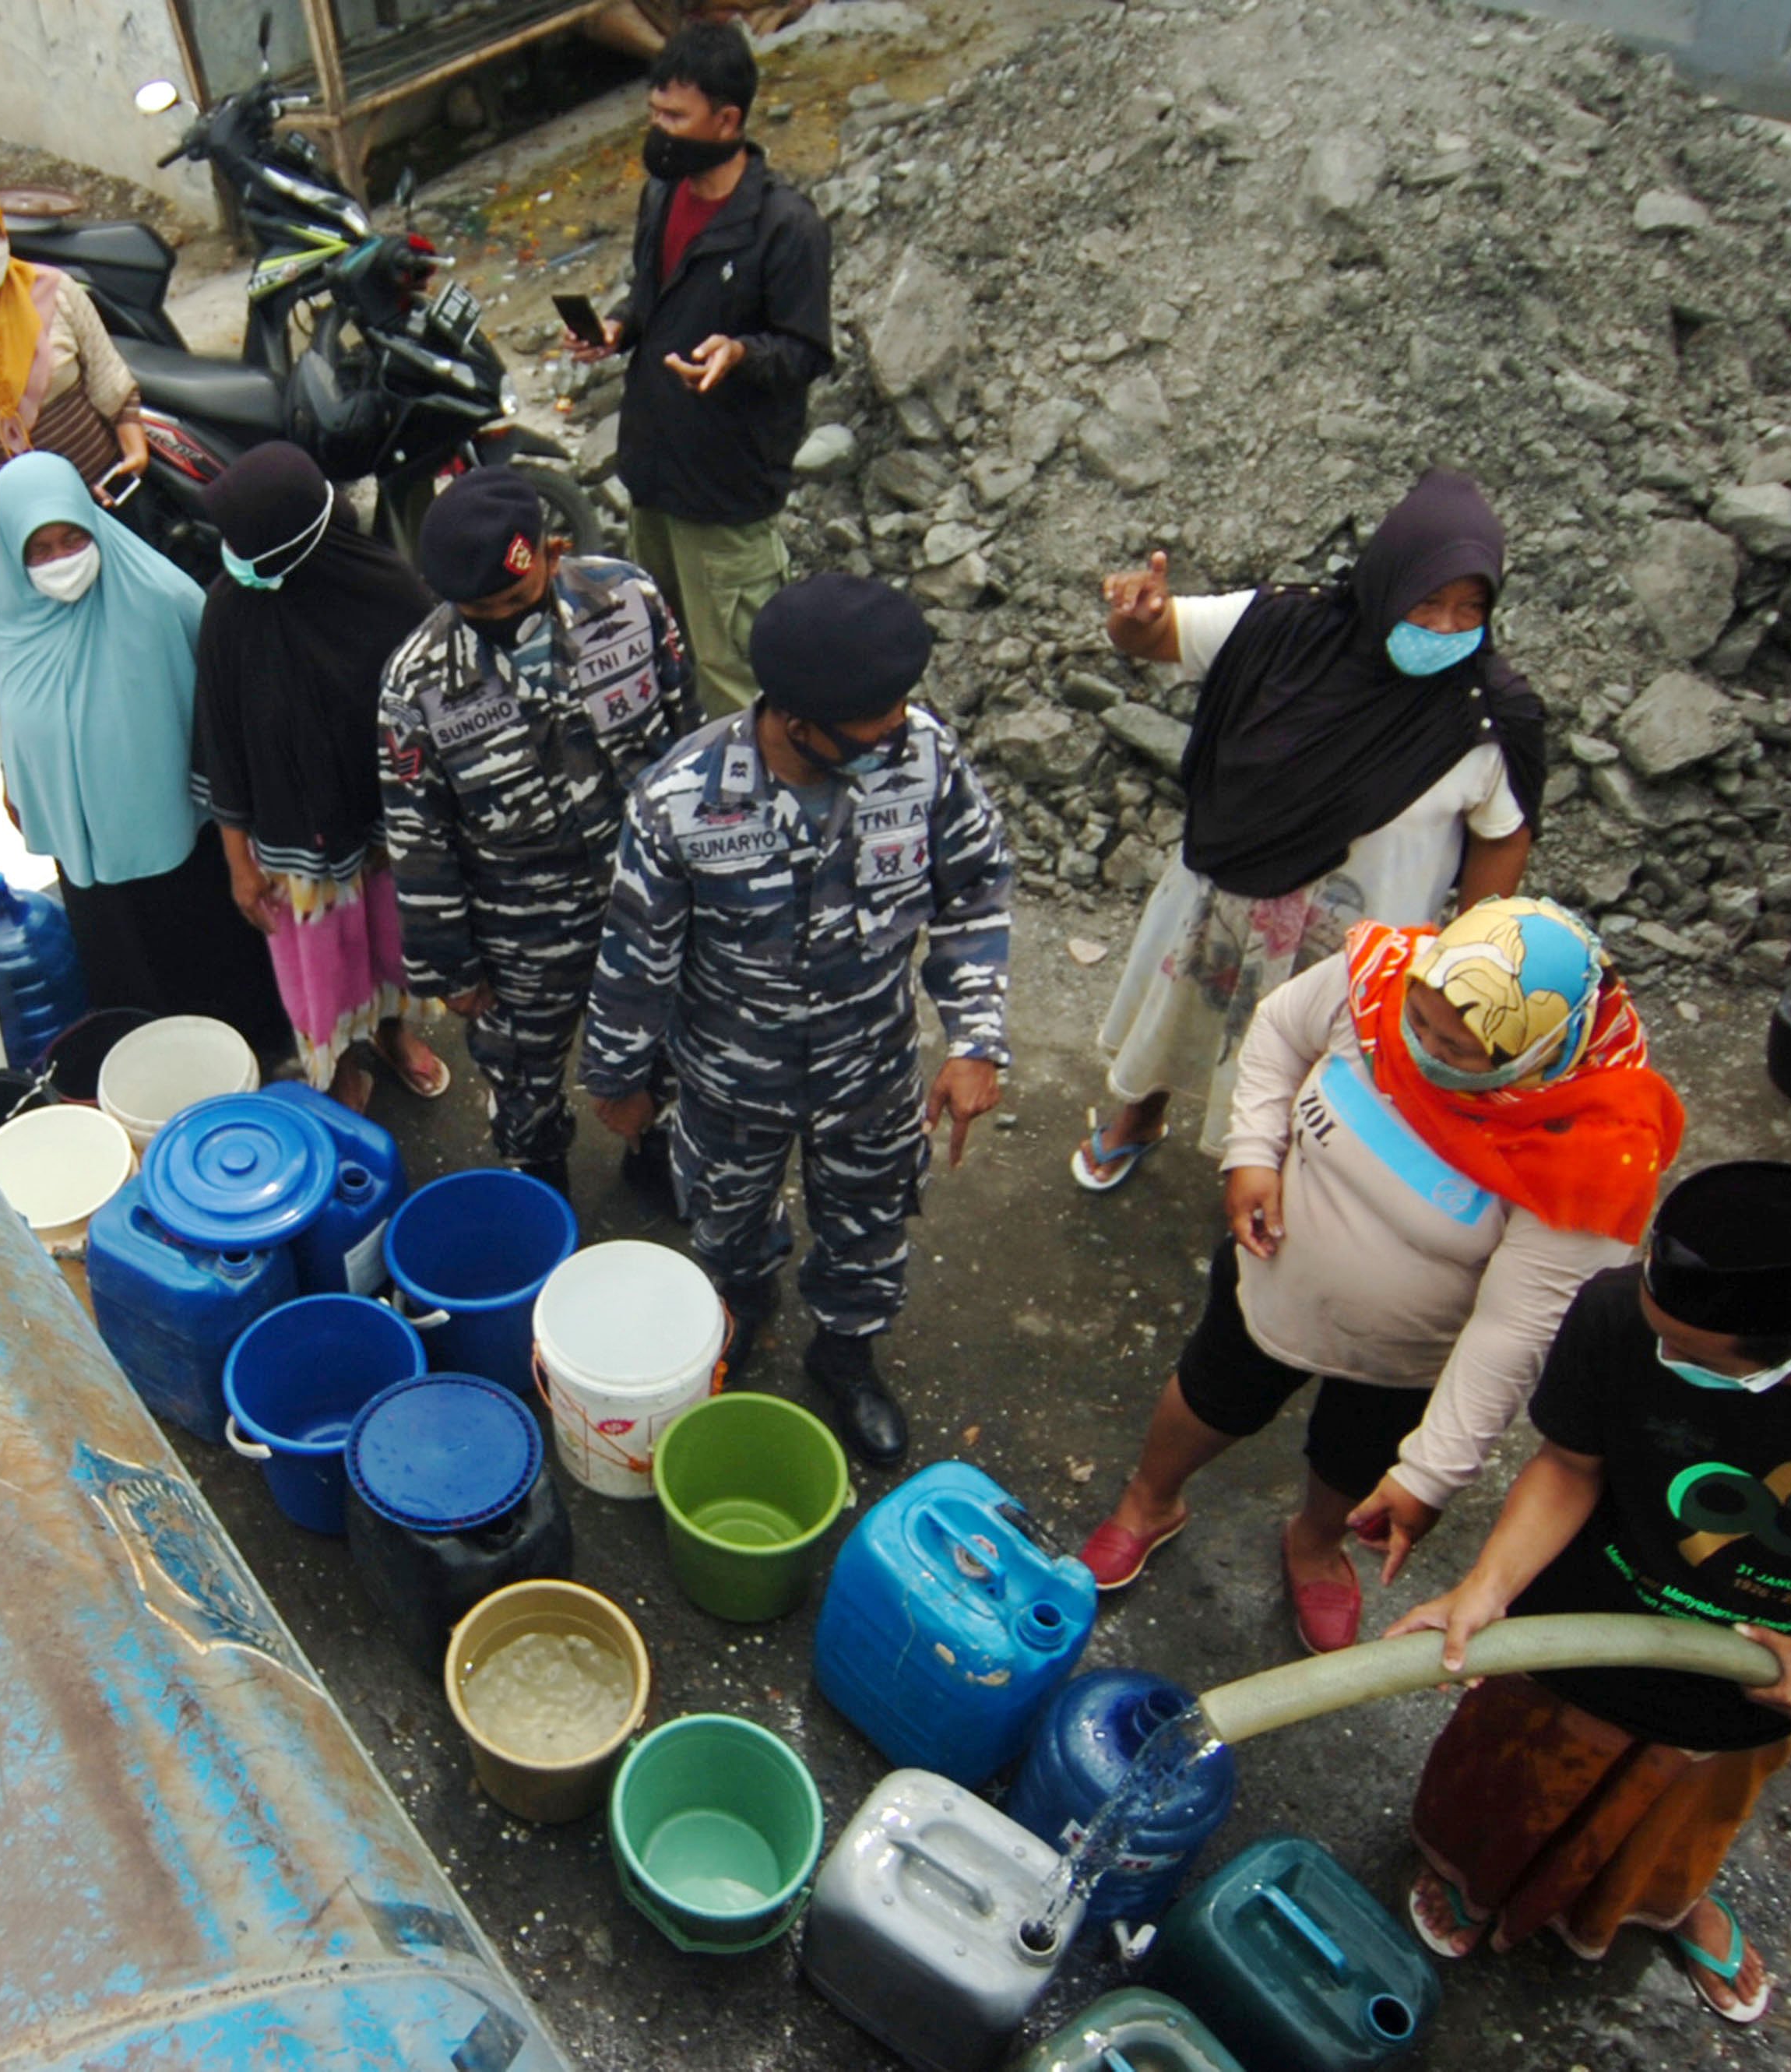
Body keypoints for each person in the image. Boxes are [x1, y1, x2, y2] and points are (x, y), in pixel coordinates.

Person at [1077, 897, 1687, 1653]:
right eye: (1419, 1024)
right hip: (1272, 1278)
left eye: (1459, 1049)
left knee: (1354, 1460)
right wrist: (1252, 1154)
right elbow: (1277, 1029)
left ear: (1537, 1051)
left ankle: (1313, 1543)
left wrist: (1431, 1474)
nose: (1421, 1048)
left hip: (1401, 1361)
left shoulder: (1592, 1153)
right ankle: (1149, 1502)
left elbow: (1514, 1330)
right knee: (1209, 1392)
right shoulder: (1383, 978)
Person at [1390, 1161, 1791, 2028]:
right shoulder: (1618, 1311)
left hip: (1751, 1683)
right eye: (1659, 1334)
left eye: (1688, 1357)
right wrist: (1486, 1588)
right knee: (1510, 1786)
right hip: (1578, 1634)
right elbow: (1569, 1464)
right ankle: (1479, 1876)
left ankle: (1662, 1901)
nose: (1661, 1356)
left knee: (1680, 1819)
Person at [582, 574, 1011, 1468]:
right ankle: (738, 1312)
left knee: (866, 1226)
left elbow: (973, 891)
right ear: (797, 721)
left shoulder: (923, 756)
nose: (896, 727)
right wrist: (620, 1082)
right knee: (726, 1221)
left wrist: (974, 1038)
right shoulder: (679, 800)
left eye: (898, 707)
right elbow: (636, 959)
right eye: (873, 720)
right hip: (732, 1083)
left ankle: (845, 1355)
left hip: (870, 1070)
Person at [1077, 470, 1547, 1193]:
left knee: (1320, 1076)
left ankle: (1281, 1177)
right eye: (1428, 601)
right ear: (1388, 582)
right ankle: (1141, 1116)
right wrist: (1133, 616)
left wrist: (1469, 957)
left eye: (1470, 607)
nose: (1447, 627)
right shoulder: (1281, 628)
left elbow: (1503, 833)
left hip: (1355, 951)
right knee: (1178, 1020)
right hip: (1228, 906)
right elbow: (1154, 635)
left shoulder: (1488, 715)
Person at [375, 465, 695, 1201]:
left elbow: (684, 735)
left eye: (514, 599)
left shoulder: (630, 601)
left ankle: (657, 1149)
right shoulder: (416, 680)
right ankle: (538, 1176)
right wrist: (450, 967)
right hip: (519, 925)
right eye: (475, 607)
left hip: (645, 894)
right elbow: (417, 836)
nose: (498, 618)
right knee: (522, 1068)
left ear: (552, 554)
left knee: (663, 1040)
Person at [0, 451, 290, 1053]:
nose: (59, 562)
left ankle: (250, 1056)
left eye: (73, 539)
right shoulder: (8, 608)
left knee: (209, 964)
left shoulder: (160, 597)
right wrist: (13, 778)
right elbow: (12, 707)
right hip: (87, 853)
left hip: (180, 840)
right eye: (39, 552)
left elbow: (230, 703)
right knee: (125, 975)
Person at [578, 22, 829, 716]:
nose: (659, 131)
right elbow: (651, 292)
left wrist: (740, 353)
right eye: (654, 114)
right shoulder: (663, 197)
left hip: (724, 492)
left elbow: (807, 351)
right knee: (662, 652)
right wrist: (619, 328)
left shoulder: (785, 227)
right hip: (655, 474)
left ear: (728, 120)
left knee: (735, 677)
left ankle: (750, 812)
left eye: (674, 118)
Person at [192, 443, 449, 1109]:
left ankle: (391, 1033)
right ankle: (337, 1063)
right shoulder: (229, 610)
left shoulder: (386, 588)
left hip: (384, 830)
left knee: (392, 939)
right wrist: (238, 862)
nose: (232, 555)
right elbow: (219, 740)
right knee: (323, 968)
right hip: (294, 842)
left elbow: (437, 706)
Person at [0, 167, 147, 555]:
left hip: (99, 492)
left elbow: (109, 379)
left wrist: (133, 450)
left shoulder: (57, 290)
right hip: (10, 521)